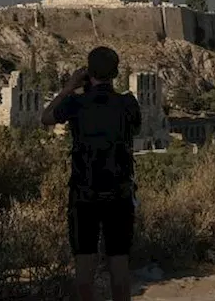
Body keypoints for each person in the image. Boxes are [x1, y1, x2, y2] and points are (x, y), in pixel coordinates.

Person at [41, 46, 142, 301]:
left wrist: (69, 87)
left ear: (88, 71)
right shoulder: (128, 104)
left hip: (83, 193)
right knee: (119, 264)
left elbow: (46, 118)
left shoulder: (75, 103)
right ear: (116, 73)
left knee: (84, 267)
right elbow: (134, 129)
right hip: (119, 193)